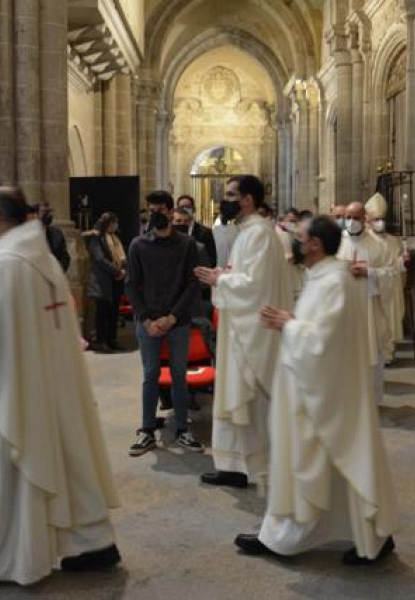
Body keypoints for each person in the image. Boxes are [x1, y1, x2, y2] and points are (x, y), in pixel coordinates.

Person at [235, 215, 399, 565]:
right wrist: (291, 322)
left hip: (323, 393)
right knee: (330, 464)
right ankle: (364, 535)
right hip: (312, 387)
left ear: (315, 245)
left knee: (322, 462)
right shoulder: (323, 276)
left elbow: (324, 339)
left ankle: (362, 536)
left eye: (301, 235)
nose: (295, 239)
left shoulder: (334, 282)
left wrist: (289, 325)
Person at [0, 186, 121, 585]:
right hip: (55, 379)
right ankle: (96, 542)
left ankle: (17, 558)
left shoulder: (4, 268)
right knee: (69, 459)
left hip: (18, 387)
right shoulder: (41, 259)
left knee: (20, 465)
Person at [195, 175, 292, 489]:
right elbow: (246, 276)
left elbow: (255, 286)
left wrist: (219, 280)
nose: (226, 199)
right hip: (238, 328)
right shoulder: (248, 233)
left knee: (246, 399)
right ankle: (231, 464)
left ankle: (249, 464)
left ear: (248, 200)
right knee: (233, 396)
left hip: (250, 334)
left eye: (231, 194)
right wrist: (224, 275)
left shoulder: (260, 234)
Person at [126, 190, 204, 456]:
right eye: (150, 210)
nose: (154, 215)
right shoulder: (138, 244)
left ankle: (182, 429)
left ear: (172, 212)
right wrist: (146, 319)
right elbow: (131, 285)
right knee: (150, 376)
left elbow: (192, 284)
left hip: (177, 321)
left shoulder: (187, 245)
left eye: (160, 209)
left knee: (179, 376)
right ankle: (147, 430)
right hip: (148, 322)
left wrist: (172, 316)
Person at [337, 201, 392, 404]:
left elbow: (390, 274)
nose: (352, 222)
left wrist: (369, 272)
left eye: (356, 217)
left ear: (365, 219)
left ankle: (368, 399)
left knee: (370, 350)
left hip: (369, 309)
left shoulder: (379, 245)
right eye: (348, 217)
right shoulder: (337, 243)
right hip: (343, 307)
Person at [365, 192, 410, 363]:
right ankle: (374, 353)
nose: (379, 222)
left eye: (381, 218)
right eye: (375, 219)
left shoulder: (393, 240)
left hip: (390, 286)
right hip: (373, 287)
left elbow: (396, 264)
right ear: (368, 220)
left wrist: (403, 262)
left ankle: (388, 353)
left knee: (389, 320)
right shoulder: (365, 240)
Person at [83, 212, 127, 353]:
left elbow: (121, 258)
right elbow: (100, 259)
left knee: (113, 312)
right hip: (103, 281)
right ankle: (100, 341)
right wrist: (117, 271)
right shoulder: (96, 238)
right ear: (108, 223)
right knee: (103, 313)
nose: (116, 225)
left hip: (115, 281)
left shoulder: (115, 238)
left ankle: (112, 340)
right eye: (114, 223)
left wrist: (123, 270)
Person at [176, 194, 217, 268]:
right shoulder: (173, 229)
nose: (185, 209)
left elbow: (211, 260)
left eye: (188, 207)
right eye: (182, 207)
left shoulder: (205, 232)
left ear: (194, 209)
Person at [38, 201, 71, 272]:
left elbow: (65, 257)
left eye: (49, 211)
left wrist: (57, 272)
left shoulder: (57, 234)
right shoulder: (27, 234)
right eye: (44, 211)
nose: (48, 215)